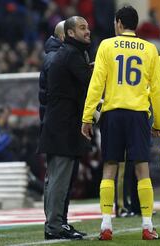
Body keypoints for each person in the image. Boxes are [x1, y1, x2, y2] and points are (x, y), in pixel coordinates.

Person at [82, 5, 160, 241]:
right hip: (138, 115)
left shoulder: (107, 45)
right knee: (142, 169)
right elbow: (156, 90)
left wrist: (87, 117)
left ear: (118, 22)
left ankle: (106, 225)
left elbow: (96, 85)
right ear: (135, 25)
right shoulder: (149, 49)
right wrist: (158, 121)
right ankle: (147, 226)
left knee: (110, 167)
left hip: (113, 114)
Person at [38, 16, 92, 240]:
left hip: (60, 125)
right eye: (82, 28)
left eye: (87, 27)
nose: (87, 31)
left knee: (60, 178)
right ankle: (54, 225)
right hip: (63, 126)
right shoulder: (70, 54)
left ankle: (59, 223)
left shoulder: (70, 54)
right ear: (70, 34)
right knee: (59, 179)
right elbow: (90, 82)